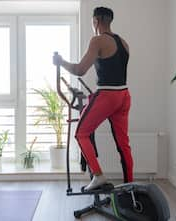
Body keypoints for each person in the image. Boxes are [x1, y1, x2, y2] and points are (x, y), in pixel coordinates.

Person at [53, 7, 133, 191]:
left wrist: (61, 62)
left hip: (107, 95)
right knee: (123, 145)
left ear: (96, 21)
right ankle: (130, 186)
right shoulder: (124, 43)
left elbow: (80, 70)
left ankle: (98, 176)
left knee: (81, 134)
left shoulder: (97, 40)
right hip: (124, 96)